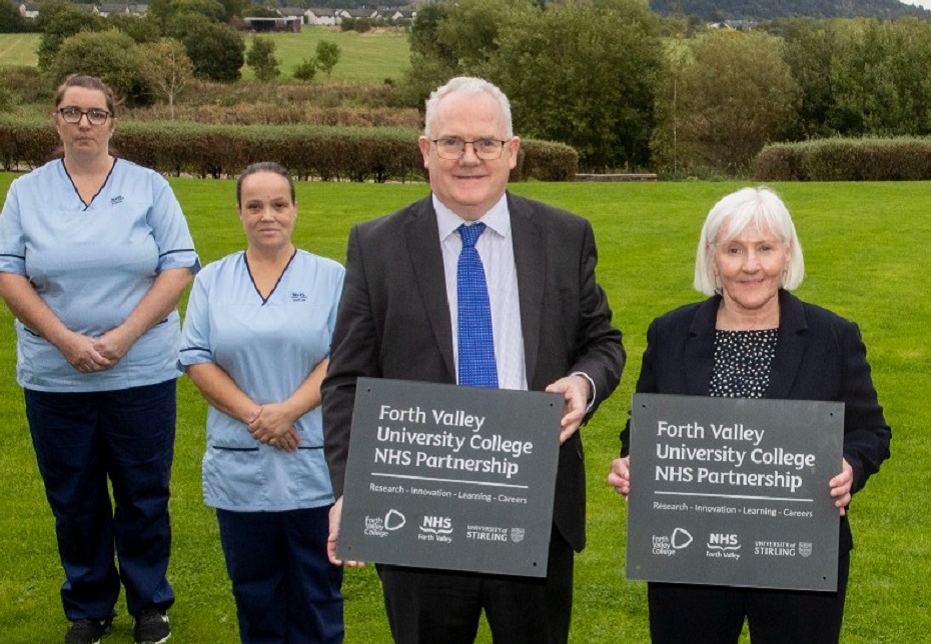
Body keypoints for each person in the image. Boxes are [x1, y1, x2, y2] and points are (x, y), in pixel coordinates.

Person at [321, 76, 625, 644]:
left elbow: (603, 342)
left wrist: (584, 385)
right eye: (451, 142)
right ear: (424, 150)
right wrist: (350, 491)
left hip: (534, 506)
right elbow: (346, 382)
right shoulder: (377, 245)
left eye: (486, 143)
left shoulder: (564, 237)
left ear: (512, 152)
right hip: (418, 513)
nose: (469, 158)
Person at [605, 186, 893, 643]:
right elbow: (644, 427)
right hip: (688, 553)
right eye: (734, 250)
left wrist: (849, 467)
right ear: (713, 258)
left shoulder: (832, 336)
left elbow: (871, 432)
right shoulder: (672, 332)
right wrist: (631, 461)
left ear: (787, 253)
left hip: (799, 554)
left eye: (764, 248)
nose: (750, 265)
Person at [0, 74, 197, 644]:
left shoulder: (148, 187)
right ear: (54, 118)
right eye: (72, 112)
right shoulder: (26, 193)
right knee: (74, 497)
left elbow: (178, 265)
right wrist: (65, 340)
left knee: (142, 492)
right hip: (54, 375)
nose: (83, 123)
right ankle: (88, 607)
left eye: (95, 113)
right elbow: (9, 274)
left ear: (114, 120)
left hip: (141, 370)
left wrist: (124, 337)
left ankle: (149, 604)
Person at [179, 163, 346, 644]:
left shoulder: (331, 277)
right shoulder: (213, 280)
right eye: (254, 206)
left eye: (278, 204)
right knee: (255, 592)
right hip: (242, 461)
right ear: (239, 212)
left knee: (318, 593)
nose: (267, 215)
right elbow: (195, 358)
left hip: (312, 460)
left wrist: (288, 411)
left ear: (295, 209)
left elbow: (344, 356)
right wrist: (260, 417)